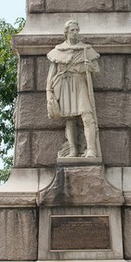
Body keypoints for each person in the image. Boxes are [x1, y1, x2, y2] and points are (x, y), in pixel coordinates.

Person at [46, 20, 100, 158]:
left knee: (87, 116)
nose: (75, 33)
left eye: (77, 30)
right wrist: (48, 93)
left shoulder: (86, 49)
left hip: (81, 84)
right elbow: (51, 75)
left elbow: (97, 71)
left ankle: (92, 150)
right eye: (72, 30)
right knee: (69, 119)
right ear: (66, 32)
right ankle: (73, 150)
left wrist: (91, 68)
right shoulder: (58, 51)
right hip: (64, 85)